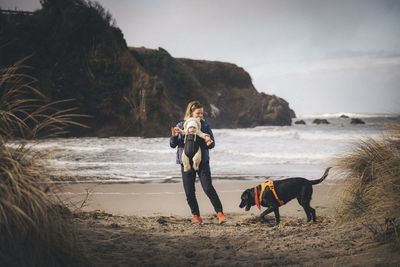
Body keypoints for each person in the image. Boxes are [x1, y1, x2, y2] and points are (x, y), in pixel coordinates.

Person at [170, 101, 226, 224]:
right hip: (186, 162)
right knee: (189, 191)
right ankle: (196, 216)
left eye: (201, 113)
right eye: (198, 113)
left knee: (208, 188)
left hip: (202, 161)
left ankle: (220, 213)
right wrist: (174, 136)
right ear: (191, 113)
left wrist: (209, 143)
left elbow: (212, 144)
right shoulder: (181, 125)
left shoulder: (205, 126)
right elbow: (173, 145)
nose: (200, 115)